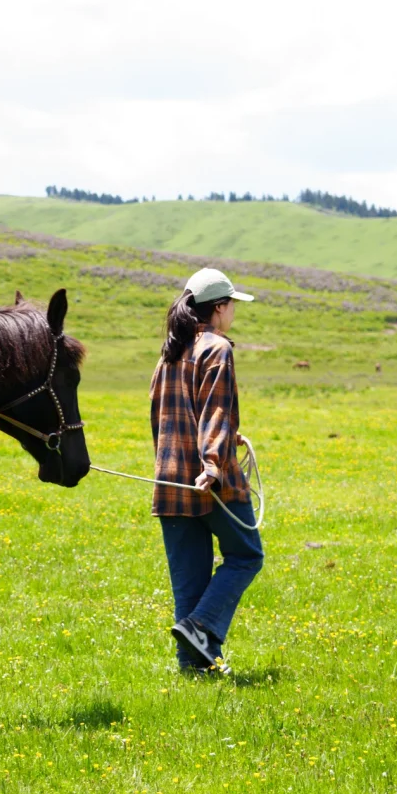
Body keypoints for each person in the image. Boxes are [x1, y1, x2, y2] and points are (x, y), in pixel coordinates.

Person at [149, 267, 264, 672]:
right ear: (219, 307)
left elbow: (163, 419)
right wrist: (213, 464)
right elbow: (215, 410)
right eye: (232, 305)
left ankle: (195, 666)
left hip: (169, 481)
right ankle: (201, 626)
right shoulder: (216, 348)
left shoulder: (169, 353)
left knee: (190, 578)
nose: (233, 313)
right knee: (247, 556)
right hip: (211, 481)